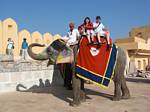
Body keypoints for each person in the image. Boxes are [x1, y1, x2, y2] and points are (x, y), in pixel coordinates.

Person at [63, 22, 80, 90]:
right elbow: (66, 38)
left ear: (74, 26)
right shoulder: (68, 32)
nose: (71, 27)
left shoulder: (76, 31)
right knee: (66, 66)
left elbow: (78, 38)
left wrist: (76, 42)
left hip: (75, 46)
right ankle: (67, 84)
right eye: (70, 26)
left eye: (72, 26)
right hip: (69, 47)